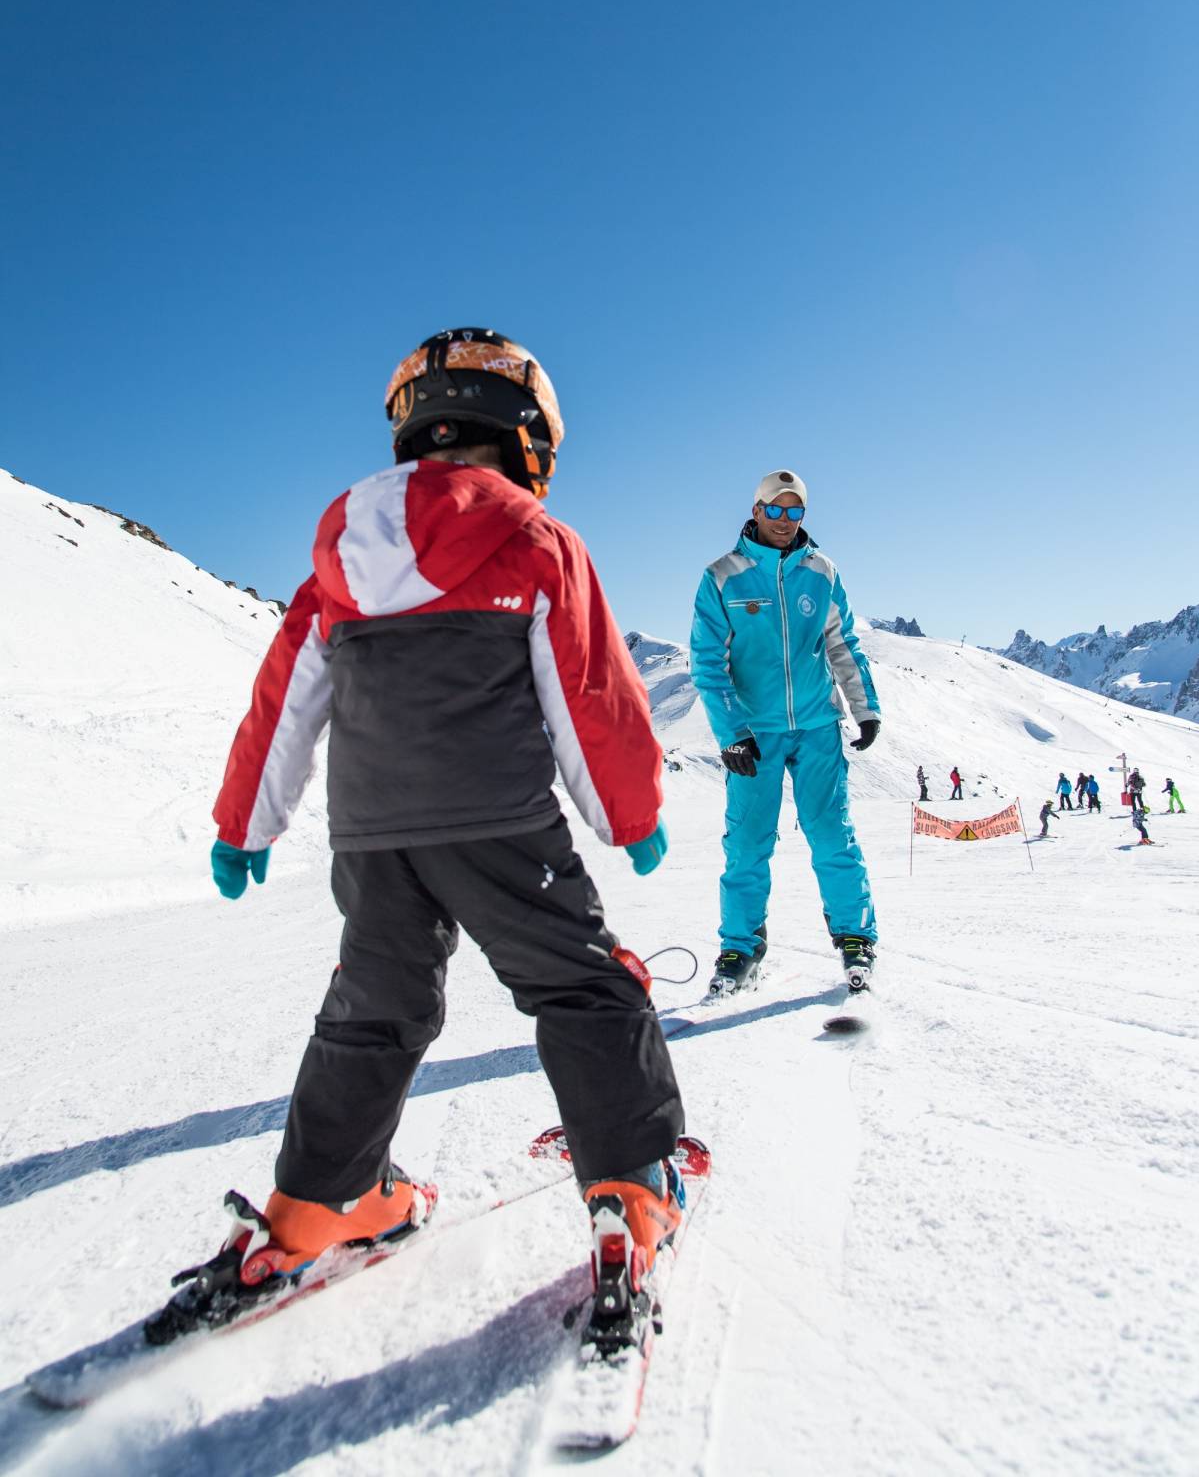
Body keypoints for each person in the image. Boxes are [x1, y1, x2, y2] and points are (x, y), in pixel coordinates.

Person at [200, 328, 686, 1325]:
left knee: (374, 1008)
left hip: (372, 839)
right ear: (526, 435)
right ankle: (632, 1187)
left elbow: (283, 699)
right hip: (500, 826)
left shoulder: (336, 557)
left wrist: (244, 824)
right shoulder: (536, 540)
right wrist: (628, 816)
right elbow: (591, 696)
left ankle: (317, 1206)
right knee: (583, 988)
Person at [690, 468, 880, 1000]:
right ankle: (739, 950)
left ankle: (856, 940)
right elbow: (708, 663)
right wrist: (732, 732)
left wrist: (864, 709)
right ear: (755, 510)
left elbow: (843, 644)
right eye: (774, 508)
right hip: (757, 736)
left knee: (832, 838)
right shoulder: (723, 577)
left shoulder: (821, 570)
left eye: (794, 511)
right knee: (748, 845)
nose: (783, 519)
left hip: (818, 727)